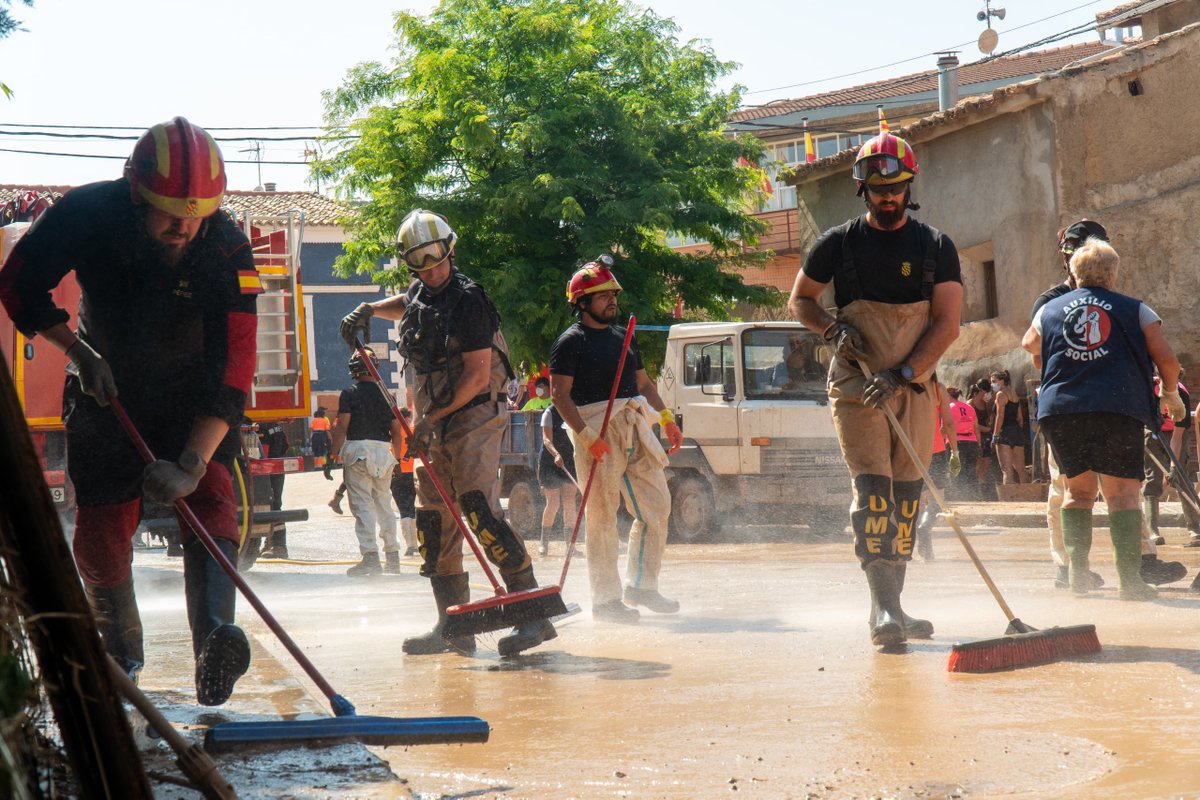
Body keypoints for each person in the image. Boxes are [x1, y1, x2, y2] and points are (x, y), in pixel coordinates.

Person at [0, 117, 256, 704]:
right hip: (105, 391)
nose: (183, 227)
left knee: (213, 498)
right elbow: (17, 285)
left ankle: (216, 643)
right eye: (169, 214)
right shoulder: (87, 213)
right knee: (103, 528)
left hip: (193, 398)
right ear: (136, 193)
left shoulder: (226, 244)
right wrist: (78, 352)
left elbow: (235, 361)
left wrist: (192, 462)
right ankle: (120, 657)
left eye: (196, 215)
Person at [339, 208, 554, 657]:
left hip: (474, 414)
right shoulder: (422, 290)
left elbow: (476, 378)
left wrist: (429, 419)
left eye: (436, 258)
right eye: (420, 262)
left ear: (450, 250)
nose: (431, 269)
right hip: (435, 418)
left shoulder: (469, 300)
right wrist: (369, 309)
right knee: (434, 519)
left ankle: (532, 614)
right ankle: (454, 625)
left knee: (477, 507)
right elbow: (408, 302)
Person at [787, 132, 962, 648]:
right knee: (874, 494)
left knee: (907, 500)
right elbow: (801, 301)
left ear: (909, 188)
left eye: (897, 188)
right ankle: (882, 608)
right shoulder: (837, 244)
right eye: (879, 190)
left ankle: (895, 606)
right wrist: (830, 328)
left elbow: (947, 324)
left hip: (913, 384)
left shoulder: (935, 247)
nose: (889, 197)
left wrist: (903, 375)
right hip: (856, 384)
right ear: (862, 189)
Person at [1021, 237, 1184, 600]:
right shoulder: (1136, 309)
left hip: (1061, 410)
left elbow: (1030, 343)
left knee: (1077, 493)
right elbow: (1167, 359)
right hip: (1116, 406)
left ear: (1075, 273)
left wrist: (1055, 360)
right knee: (1123, 496)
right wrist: (1170, 392)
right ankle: (1130, 582)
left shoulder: (1048, 310)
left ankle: (1078, 576)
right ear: (1113, 273)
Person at [550, 257, 684, 623]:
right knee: (602, 517)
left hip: (633, 423)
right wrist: (587, 436)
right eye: (602, 295)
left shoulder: (625, 336)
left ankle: (641, 586)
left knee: (657, 506)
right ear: (582, 302)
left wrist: (666, 419)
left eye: (613, 294)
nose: (612, 301)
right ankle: (606, 600)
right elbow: (559, 395)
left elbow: (643, 383)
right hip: (594, 430)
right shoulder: (570, 342)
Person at [327, 347, 404, 576]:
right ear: (375, 368)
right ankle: (393, 557)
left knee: (363, 507)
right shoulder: (387, 396)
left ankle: (370, 558)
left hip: (358, 452)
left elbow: (342, 427)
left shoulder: (349, 394)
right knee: (384, 506)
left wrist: (331, 456)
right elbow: (396, 432)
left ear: (353, 370)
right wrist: (398, 460)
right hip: (383, 454)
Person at [914, 382, 959, 561]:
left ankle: (915, 546)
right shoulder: (938, 388)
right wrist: (955, 452)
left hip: (910, 449)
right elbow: (948, 422)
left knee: (916, 500)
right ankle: (925, 527)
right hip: (935, 449)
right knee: (937, 498)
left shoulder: (901, 385)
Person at [538, 402, 579, 556]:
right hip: (550, 461)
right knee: (553, 502)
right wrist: (556, 454)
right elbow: (546, 439)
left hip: (570, 460)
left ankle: (570, 546)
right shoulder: (549, 413)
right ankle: (543, 543)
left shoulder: (574, 410)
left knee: (569, 502)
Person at [257, 419, 290, 559]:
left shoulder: (260, 428)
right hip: (277, 467)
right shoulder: (277, 426)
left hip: (265, 471)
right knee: (275, 504)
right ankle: (272, 543)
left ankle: (279, 546)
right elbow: (286, 444)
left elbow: (261, 453)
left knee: (267, 505)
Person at [390, 406, 420, 557]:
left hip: (395, 474)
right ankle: (417, 542)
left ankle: (411, 545)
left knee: (403, 509)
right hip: (411, 474)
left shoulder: (392, 433)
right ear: (408, 417)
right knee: (412, 507)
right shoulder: (414, 431)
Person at [990, 371, 1026, 485]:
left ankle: (1008, 494)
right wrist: (1018, 432)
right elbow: (1020, 418)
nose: (992, 384)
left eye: (994, 381)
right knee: (1021, 469)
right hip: (1016, 432)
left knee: (1007, 470)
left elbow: (1000, 416)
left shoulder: (1000, 394)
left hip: (1004, 432)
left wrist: (995, 435)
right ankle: (1027, 493)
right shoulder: (1014, 394)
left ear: (1002, 381)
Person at [947, 387, 980, 498]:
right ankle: (974, 495)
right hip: (972, 441)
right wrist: (979, 444)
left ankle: (960, 496)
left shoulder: (948, 407)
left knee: (956, 470)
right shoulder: (969, 407)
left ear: (948, 395)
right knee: (971, 470)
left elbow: (946, 426)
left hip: (956, 441)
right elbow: (976, 427)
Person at [968, 379, 997, 499]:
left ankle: (983, 492)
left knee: (985, 464)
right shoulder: (970, 404)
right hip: (976, 437)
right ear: (983, 391)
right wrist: (985, 429)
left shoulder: (984, 404)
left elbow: (987, 419)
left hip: (986, 437)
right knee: (977, 465)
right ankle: (976, 492)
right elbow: (970, 423)